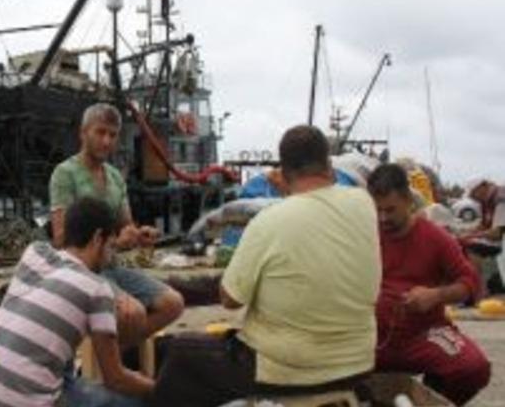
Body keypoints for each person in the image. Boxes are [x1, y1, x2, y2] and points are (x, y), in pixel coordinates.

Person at [152, 125, 381, 405]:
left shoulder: (269, 220)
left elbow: (230, 299)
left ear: (282, 176)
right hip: (357, 365)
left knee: (179, 355)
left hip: (286, 370)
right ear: (329, 166)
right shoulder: (364, 204)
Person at [0, 197, 154, 407]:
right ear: (97, 238)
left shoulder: (34, 253)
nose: (109, 258)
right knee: (131, 403)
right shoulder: (96, 288)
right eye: (111, 247)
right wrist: (160, 389)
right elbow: (116, 379)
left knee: (63, 360)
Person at [49, 103, 183, 346]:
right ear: (83, 133)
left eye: (112, 134)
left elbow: (126, 225)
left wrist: (139, 234)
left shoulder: (114, 177)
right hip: (81, 272)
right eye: (100, 132)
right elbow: (61, 238)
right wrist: (113, 242)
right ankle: (111, 365)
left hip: (111, 268)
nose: (107, 141)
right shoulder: (65, 174)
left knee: (172, 304)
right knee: (132, 313)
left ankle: (117, 354)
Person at [368, 164, 490, 405]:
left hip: (422, 334)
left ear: (407, 200)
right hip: (367, 336)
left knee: (474, 368)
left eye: (390, 210)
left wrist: (434, 295)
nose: (383, 218)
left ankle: (431, 398)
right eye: (377, 210)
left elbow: (470, 284)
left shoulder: (435, 237)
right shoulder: (363, 234)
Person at [461, 178, 505, 293]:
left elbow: (497, 233)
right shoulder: (485, 201)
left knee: (472, 247)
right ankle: (470, 285)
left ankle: (479, 289)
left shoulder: (500, 198)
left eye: (473, 194)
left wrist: (473, 236)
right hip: (499, 239)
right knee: (464, 243)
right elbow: (484, 225)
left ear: (482, 187)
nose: (472, 198)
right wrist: (467, 232)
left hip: (502, 240)